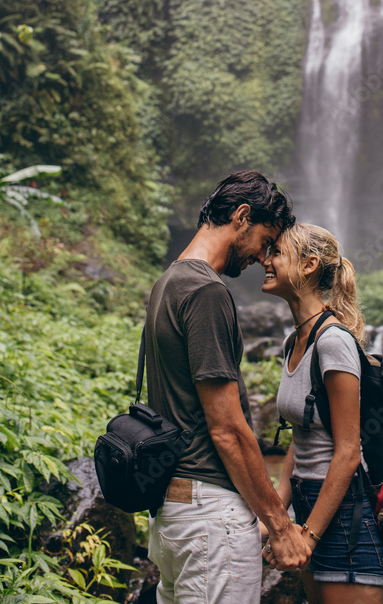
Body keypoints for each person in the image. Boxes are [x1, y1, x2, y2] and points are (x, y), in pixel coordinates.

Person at [144, 170, 311, 604]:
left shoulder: (167, 283)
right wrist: (279, 524)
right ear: (240, 216)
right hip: (209, 520)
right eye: (265, 240)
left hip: (172, 513)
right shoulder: (206, 291)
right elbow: (227, 429)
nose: (263, 257)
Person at [260, 222, 383, 603]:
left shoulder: (332, 342)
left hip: (345, 515)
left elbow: (349, 451)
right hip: (309, 504)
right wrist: (277, 522)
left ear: (309, 265)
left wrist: (309, 535)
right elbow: (300, 441)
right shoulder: (294, 340)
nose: (265, 261)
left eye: (277, 253)